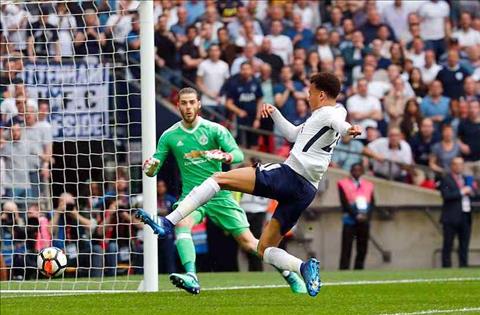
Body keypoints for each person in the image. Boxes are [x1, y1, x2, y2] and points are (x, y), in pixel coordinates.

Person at [140, 73, 362, 297]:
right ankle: (302, 268)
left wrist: (347, 130)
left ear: (321, 95)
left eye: (311, 92)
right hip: (306, 190)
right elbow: (293, 134)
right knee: (263, 248)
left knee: (218, 179)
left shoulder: (328, 114)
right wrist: (275, 113)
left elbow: (339, 124)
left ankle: (167, 222)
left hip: (289, 176)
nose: (307, 96)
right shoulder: (326, 114)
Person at [136, 87, 306, 295]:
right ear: (178, 105)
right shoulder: (169, 135)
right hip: (191, 196)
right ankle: (191, 276)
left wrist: (225, 156)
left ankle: (290, 275)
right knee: (182, 223)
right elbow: (154, 167)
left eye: (192, 102)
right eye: (184, 103)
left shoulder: (214, 130)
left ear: (199, 104)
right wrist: (150, 168)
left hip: (219, 193)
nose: (188, 107)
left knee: (250, 243)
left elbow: (237, 154)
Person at [439, 157, 476, 267]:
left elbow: (474, 195)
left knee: (464, 244)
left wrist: (473, 191)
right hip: (451, 216)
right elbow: (446, 195)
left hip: (465, 215)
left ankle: (463, 266)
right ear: (452, 166)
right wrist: (461, 191)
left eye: (461, 164)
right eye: (456, 164)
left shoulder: (466, 179)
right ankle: (446, 267)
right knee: (448, 244)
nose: (459, 166)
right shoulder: (446, 179)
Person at [338, 163, 375, 270]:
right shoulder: (343, 183)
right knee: (346, 246)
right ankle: (344, 269)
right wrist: (356, 215)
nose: (356, 172)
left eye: (359, 170)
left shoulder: (369, 185)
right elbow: (344, 202)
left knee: (362, 246)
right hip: (350, 218)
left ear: (362, 172)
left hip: (364, 218)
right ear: (351, 171)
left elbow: (372, 202)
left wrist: (366, 216)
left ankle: (359, 268)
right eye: (354, 170)